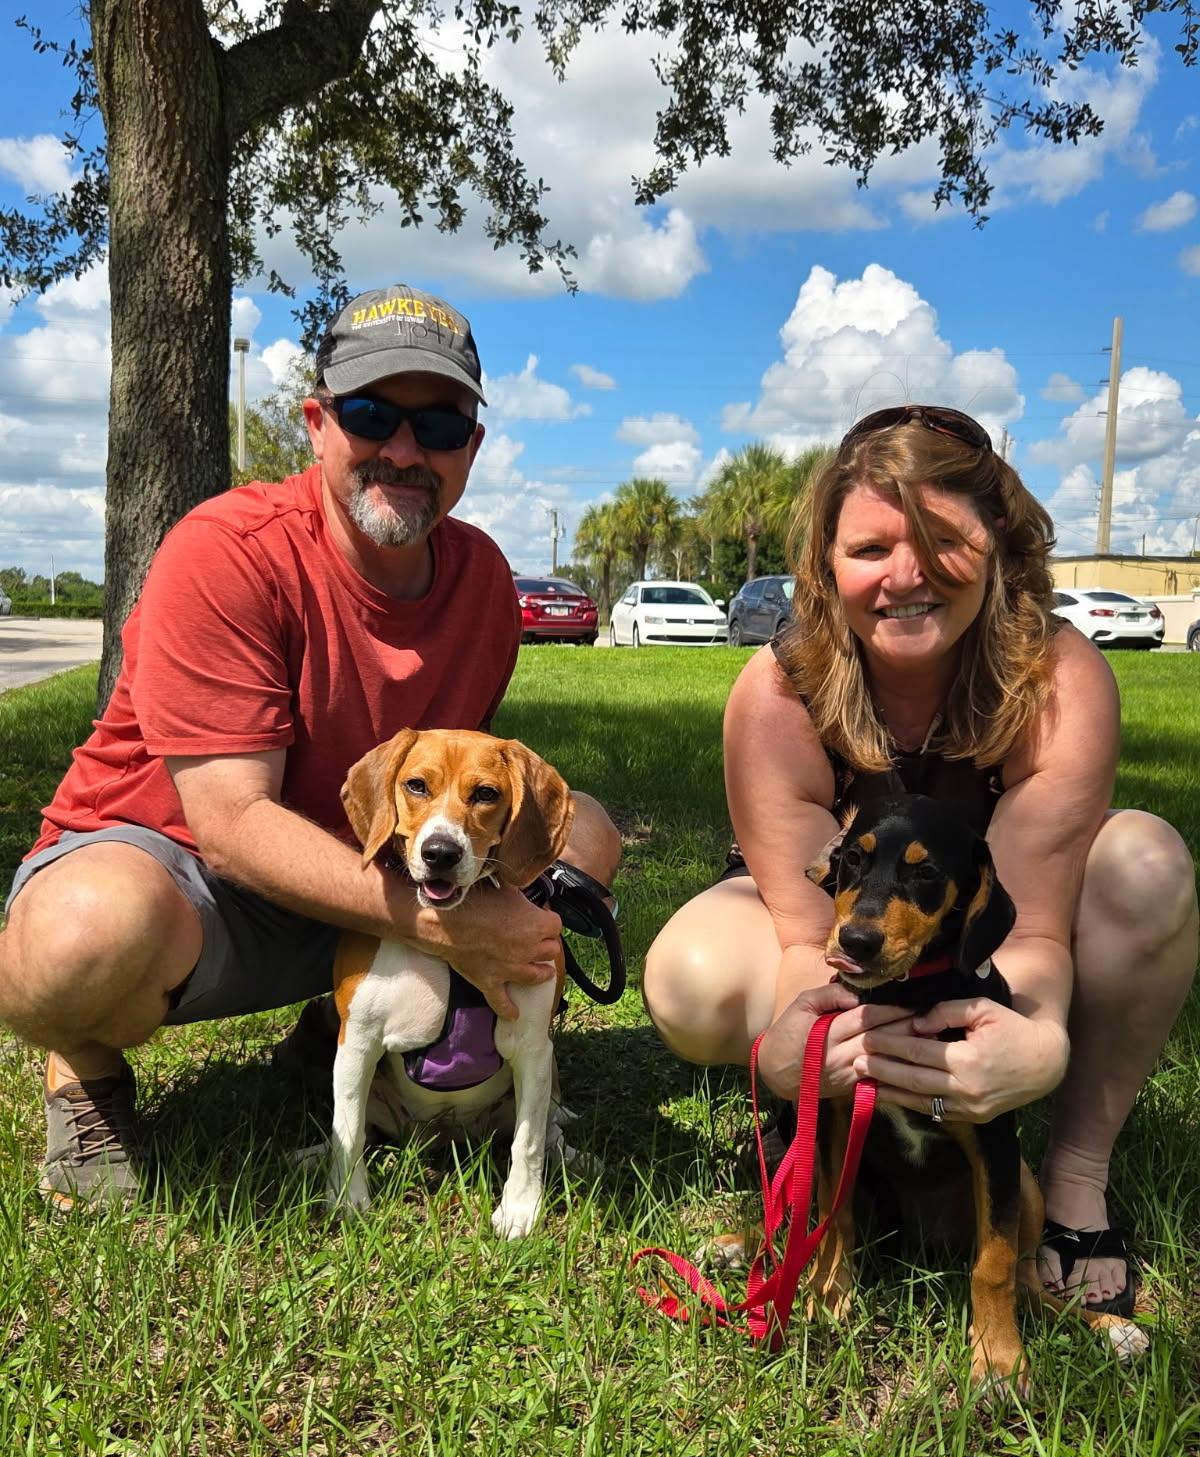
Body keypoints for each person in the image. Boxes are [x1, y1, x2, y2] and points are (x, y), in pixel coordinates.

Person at [0, 282, 620, 1211]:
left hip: (349, 875)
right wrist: (447, 924)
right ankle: (83, 1071)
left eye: (440, 428)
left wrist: (480, 897)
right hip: (184, 875)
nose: (405, 451)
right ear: (317, 423)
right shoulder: (229, 553)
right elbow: (231, 822)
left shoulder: (485, 580)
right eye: (371, 415)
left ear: (472, 451)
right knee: (78, 941)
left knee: (589, 837)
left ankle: (353, 1028)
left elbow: (455, 790)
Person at [643, 404, 1197, 1315]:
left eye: (942, 539)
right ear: (827, 561)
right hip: (841, 924)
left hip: (988, 927)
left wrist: (1037, 1047)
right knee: (688, 980)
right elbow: (801, 935)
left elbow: (1035, 931)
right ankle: (832, 1155)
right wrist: (801, 1052)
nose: (906, 576)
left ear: (1000, 541)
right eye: (869, 550)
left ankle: (1076, 1174)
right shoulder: (779, 690)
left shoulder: (1060, 677)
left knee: (1146, 863)